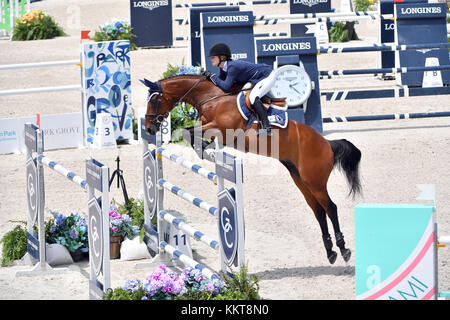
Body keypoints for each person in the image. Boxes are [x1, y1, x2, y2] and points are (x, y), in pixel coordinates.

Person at [202, 43, 276, 136]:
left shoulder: (232, 67)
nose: (211, 59)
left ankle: (267, 128)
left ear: (222, 57)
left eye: (213, 57)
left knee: (253, 97)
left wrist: (212, 76)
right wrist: (209, 78)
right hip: (256, 78)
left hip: (267, 76)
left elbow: (226, 86)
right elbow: (220, 82)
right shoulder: (223, 67)